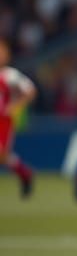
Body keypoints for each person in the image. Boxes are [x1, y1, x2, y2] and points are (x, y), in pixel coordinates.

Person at [0, 38, 36, 199]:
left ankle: (25, 173)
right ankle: (25, 172)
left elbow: (30, 91)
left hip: (3, 121)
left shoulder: (10, 75)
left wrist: (16, 106)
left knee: (2, 153)